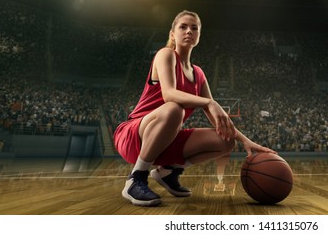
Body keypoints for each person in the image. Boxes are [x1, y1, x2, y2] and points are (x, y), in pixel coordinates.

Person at [113, 10, 276, 206]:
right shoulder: (165, 54)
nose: (189, 30)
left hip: (163, 140)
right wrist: (208, 102)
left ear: (199, 35)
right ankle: (136, 178)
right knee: (174, 109)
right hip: (133, 135)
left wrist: (245, 141)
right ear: (172, 34)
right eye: (183, 27)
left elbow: (219, 120)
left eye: (194, 28)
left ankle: (168, 172)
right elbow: (169, 94)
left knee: (225, 142)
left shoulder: (198, 73)